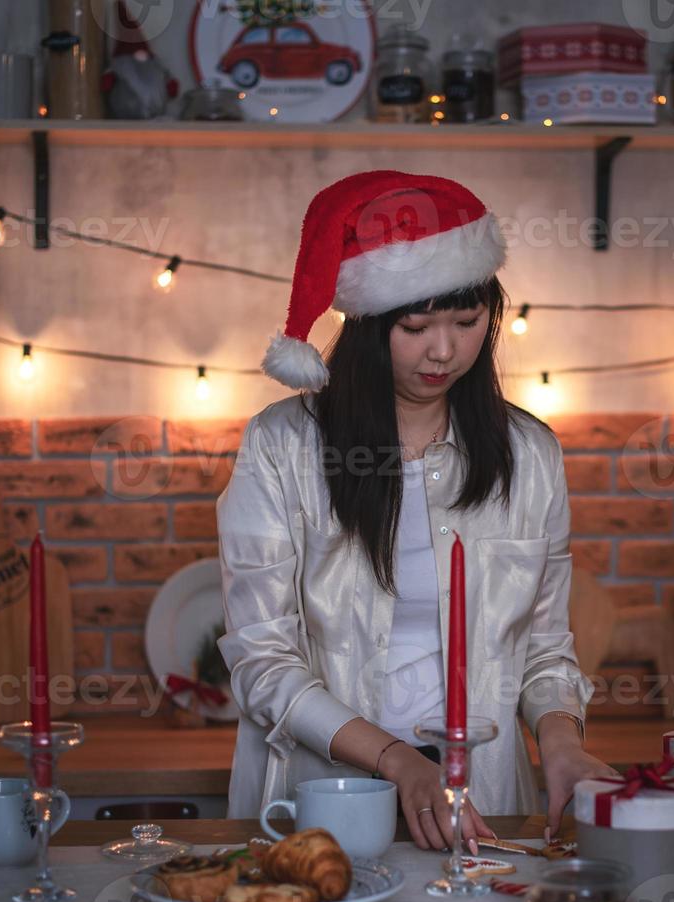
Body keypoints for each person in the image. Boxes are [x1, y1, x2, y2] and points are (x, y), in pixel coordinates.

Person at [216, 170, 616, 852]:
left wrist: (562, 743)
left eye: (467, 321)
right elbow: (263, 657)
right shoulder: (283, 445)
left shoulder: (527, 453)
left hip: (484, 798)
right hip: (325, 798)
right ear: (369, 324)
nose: (444, 350)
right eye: (417, 324)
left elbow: (544, 647)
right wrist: (396, 761)